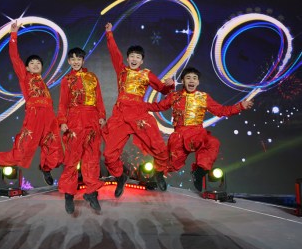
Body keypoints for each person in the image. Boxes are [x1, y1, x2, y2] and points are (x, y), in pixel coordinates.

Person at [146, 67, 254, 191]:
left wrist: (240, 106)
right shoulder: (174, 96)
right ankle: (158, 174)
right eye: (188, 78)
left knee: (212, 142)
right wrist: (139, 106)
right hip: (180, 136)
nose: (191, 81)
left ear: (198, 82)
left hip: (198, 134)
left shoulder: (203, 97)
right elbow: (159, 106)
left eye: (194, 78)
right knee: (173, 164)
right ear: (183, 80)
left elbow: (221, 111)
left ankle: (199, 172)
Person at [0, 21, 64, 185]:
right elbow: (15, 58)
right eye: (32, 63)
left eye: (38, 63)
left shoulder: (44, 84)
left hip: (49, 119)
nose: (35, 65)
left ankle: (46, 168)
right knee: (21, 152)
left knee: (56, 152)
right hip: (33, 119)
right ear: (26, 68)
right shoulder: (25, 78)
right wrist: (13, 36)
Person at [103, 22, 174, 197]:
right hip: (120, 116)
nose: (134, 59)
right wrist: (109, 34)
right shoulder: (122, 71)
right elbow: (114, 53)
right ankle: (120, 176)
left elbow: (162, 89)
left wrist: (169, 85)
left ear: (142, 60)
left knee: (159, 147)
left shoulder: (146, 74)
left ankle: (159, 172)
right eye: (131, 56)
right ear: (127, 59)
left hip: (139, 114)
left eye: (137, 57)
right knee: (109, 154)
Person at [57, 47, 106, 214]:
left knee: (91, 157)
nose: (76, 61)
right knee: (72, 158)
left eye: (79, 59)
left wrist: (102, 115)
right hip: (74, 120)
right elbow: (63, 103)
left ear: (83, 61)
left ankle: (91, 192)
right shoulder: (67, 80)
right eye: (73, 59)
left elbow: (99, 99)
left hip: (92, 120)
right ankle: (68, 194)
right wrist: (63, 121)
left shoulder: (92, 77)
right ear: (69, 62)